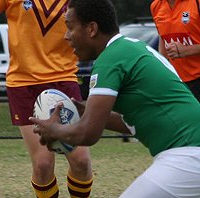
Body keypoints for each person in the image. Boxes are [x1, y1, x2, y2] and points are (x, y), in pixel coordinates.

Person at [29, 0, 200, 197]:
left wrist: (55, 130)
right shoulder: (127, 48)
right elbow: (134, 122)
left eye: (70, 27)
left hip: (188, 154)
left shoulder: (110, 59)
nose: (66, 36)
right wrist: (86, 110)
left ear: (91, 29)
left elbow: (88, 134)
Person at [0, 0, 93, 197]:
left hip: (64, 78)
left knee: (81, 161)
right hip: (24, 83)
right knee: (42, 164)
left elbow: (96, 22)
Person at [151, 0, 200, 102]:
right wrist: (163, 71)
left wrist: (187, 50)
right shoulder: (155, 6)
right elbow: (162, 39)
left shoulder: (196, 2)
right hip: (177, 82)